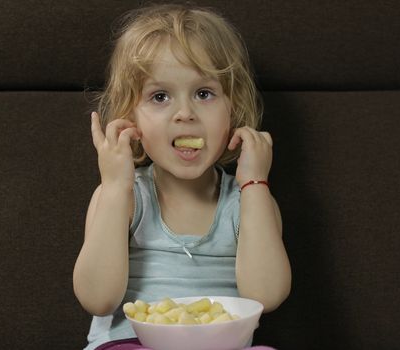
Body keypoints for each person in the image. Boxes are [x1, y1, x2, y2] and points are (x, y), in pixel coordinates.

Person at [72, 4, 291, 349]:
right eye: (159, 96)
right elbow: (97, 299)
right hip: (129, 342)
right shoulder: (125, 196)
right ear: (132, 119)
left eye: (204, 94)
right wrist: (115, 186)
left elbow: (267, 295)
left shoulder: (246, 199)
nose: (185, 114)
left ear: (233, 108)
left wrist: (255, 183)